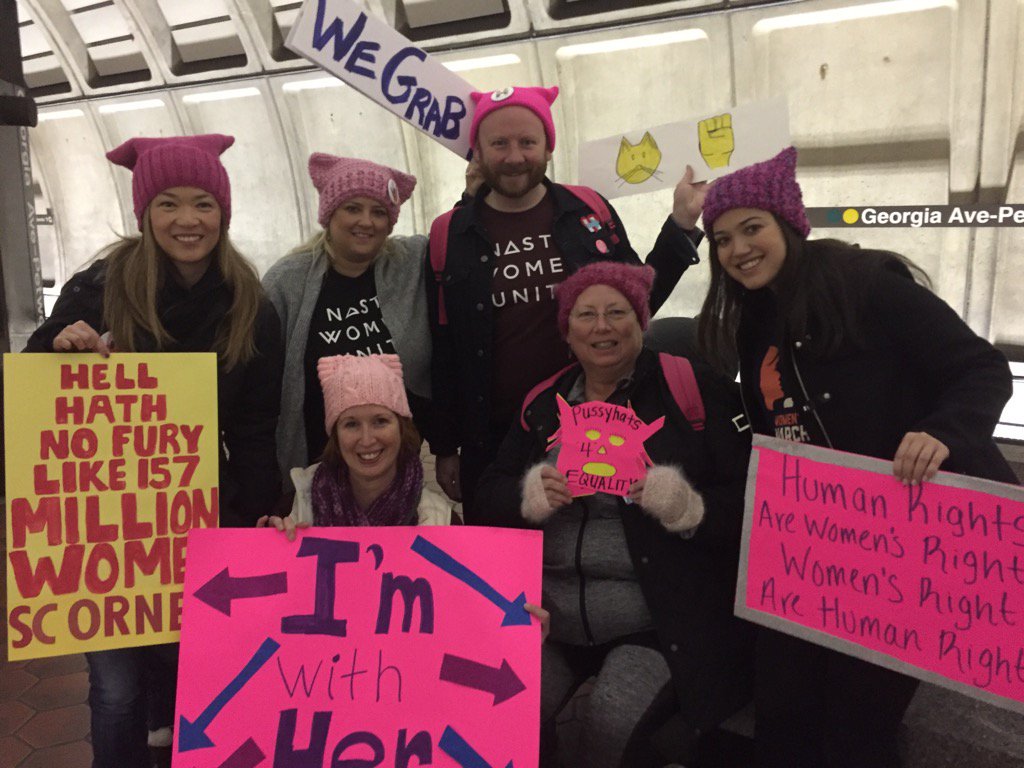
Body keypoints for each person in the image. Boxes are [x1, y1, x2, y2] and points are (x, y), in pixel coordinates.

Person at [696, 146, 1018, 768]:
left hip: (904, 543)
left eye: (751, 228)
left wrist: (942, 430)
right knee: (783, 709)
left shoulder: (868, 284)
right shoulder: (752, 320)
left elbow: (980, 368)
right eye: (722, 239)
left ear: (788, 223)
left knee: (857, 722)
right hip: (811, 545)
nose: (737, 249)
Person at [24, 134, 283, 768]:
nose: (187, 221)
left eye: (203, 204)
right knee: (114, 689)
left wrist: (260, 519)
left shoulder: (250, 304)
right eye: (169, 204)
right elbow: (34, 378)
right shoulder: (102, 284)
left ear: (224, 213)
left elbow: (254, 428)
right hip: (102, 524)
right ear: (145, 212)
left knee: (192, 669)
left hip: (201, 517)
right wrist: (64, 342)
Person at [475, 262, 754, 768]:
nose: (602, 327)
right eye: (586, 315)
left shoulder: (692, 389)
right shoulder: (543, 404)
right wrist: (524, 496)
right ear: (567, 330)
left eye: (616, 312)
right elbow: (486, 493)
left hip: (652, 621)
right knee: (503, 712)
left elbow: (752, 501)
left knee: (606, 723)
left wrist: (691, 509)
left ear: (641, 320)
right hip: (550, 620)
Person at [427, 85, 707, 519]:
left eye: (527, 142)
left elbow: (635, 302)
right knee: (506, 559)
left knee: (593, 546)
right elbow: (443, 346)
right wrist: (446, 447)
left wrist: (682, 226)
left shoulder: (588, 210)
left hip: (598, 421)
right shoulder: (450, 233)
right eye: (499, 143)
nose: (515, 156)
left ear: (547, 147)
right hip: (497, 437)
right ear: (477, 152)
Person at [263, 154, 430, 488]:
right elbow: (261, 378)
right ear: (329, 214)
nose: (366, 222)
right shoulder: (287, 282)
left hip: (395, 464)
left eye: (379, 211)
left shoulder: (410, 265)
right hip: (313, 463)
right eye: (352, 208)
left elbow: (455, 232)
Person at [259, 354, 451, 537]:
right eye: (351, 424)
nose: (367, 440)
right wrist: (270, 544)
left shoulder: (439, 519)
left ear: (402, 428)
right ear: (335, 435)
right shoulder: (297, 504)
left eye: (380, 421)